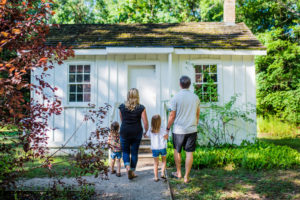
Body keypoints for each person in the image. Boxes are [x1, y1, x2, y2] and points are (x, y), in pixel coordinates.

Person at [166, 75, 200, 183]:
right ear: (189, 84)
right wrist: (195, 124)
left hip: (178, 130)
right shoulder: (195, 97)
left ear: (180, 84)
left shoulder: (175, 97)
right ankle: (186, 177)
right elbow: (197, 114)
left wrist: (167, 128)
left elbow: (172, 115)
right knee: (189, 152)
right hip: (192, 129)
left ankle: (179, 172)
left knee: (177, 150)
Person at [119, 88, 149, 179]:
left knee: (125, 151)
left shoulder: (122, 107)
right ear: (137, 96)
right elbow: (145, 122)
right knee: (134, 152)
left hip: (124, 131)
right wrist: (145, 132)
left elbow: (122, 119)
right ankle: (132, 170)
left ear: (128, 96)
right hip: (136, 132)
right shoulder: (141, 108)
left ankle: (127, 168)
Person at [144, 115, 168, 182]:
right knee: (163, 161)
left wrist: (144, 134)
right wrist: (166, 135)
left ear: (152, 122)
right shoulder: (162, 129)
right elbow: (166, 137)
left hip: (155, 148)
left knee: (155, 163)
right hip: (162, 147)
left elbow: (146, 136)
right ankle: (162, 173)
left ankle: (156, 177)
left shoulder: (150, 129)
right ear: (160, 121)